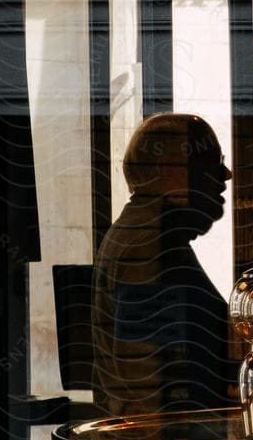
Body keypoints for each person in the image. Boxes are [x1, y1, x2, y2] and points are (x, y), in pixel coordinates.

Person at [91, 113, 238, 418]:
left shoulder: (149, 234)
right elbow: (146, 379)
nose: (225, 175)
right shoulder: (149, 245)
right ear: (167, 172)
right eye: (209, 163)